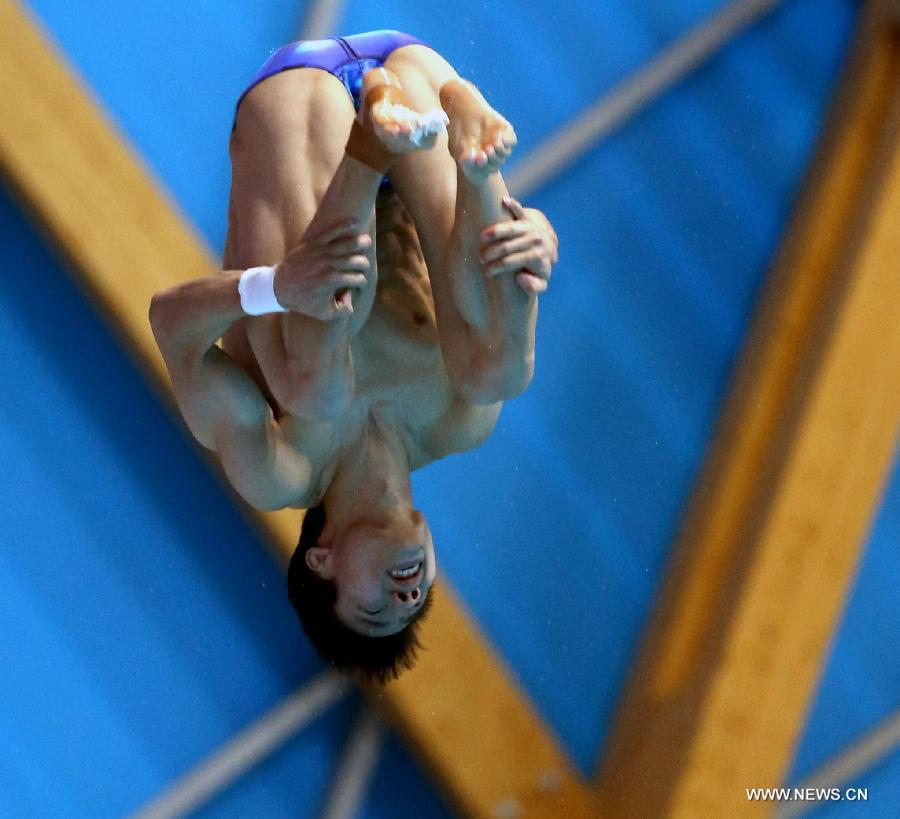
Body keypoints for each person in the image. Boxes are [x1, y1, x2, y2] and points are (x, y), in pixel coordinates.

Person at [149, 30, 558, 682]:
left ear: (322, 560)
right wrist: (537, 244)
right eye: (418, 602)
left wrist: (274, 287)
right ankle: (481, 168)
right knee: (498, 370)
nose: (406, 594)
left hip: (300, 100)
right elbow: (488, 303)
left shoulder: (277, 467)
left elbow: (168, 322)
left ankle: (369, 149)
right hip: (420, 83)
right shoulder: (459, 421)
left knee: (313, 385)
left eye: (377, 610)